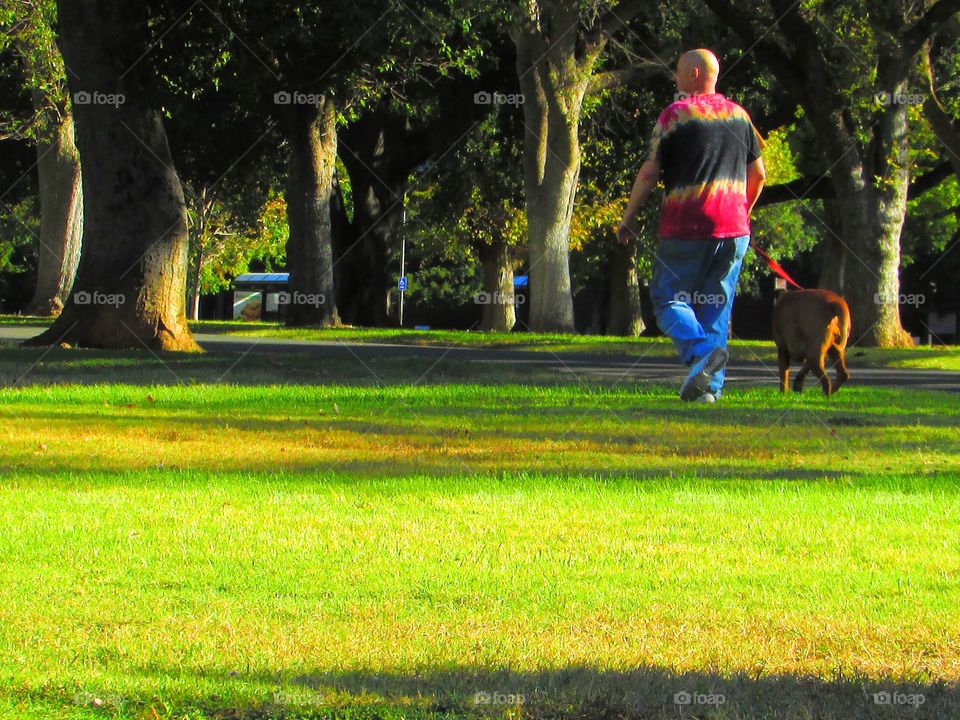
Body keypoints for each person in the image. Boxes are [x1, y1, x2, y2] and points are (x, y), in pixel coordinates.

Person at [617, 48, 766, 402]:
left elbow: (650, 171)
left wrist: (628, 217)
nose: (675, 78)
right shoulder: (741, 117)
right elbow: (758, 174)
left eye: (679, 72)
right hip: (734, 229)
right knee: (716, 304)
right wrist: (741, 211)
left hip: (686, 224)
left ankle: (701, 353)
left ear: (695, 74)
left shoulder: (676, 115)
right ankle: (708, 392)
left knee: (667, 298)